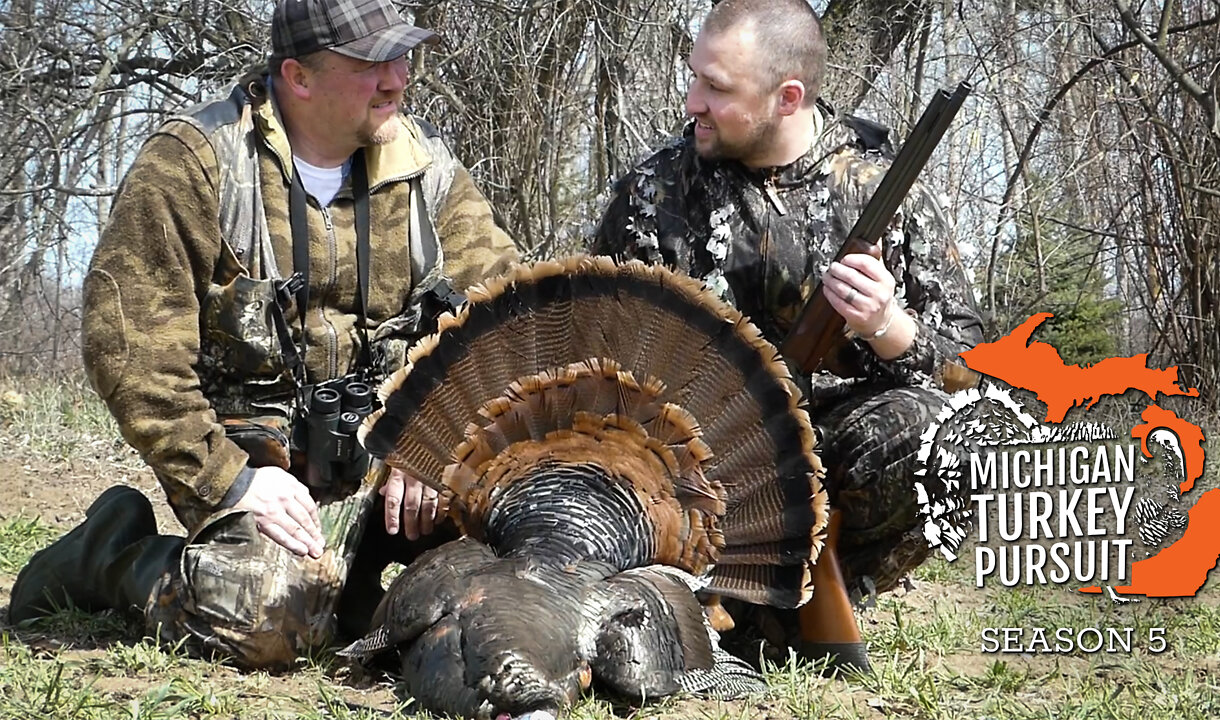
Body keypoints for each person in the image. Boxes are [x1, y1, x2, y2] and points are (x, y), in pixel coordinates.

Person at [9, 0, 518, 668]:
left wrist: (439, 440)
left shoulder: (428, 172)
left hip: (402, 472)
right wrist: (230, 480)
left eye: (404, 56)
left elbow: (506, 321)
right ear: (297, 77)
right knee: (267, 615)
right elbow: (132, 353)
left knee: (527, 566)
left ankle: (353, 587)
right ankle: (109, 555)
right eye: (373, 62)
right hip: (261, 477)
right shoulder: (194, 163)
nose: (399, 78)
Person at [592, 0, 984, 666]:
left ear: (787, 97)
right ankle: (727, 604)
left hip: (838, 441)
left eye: (716, 88)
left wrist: (889, 327)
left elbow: (975, 363)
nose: (693, 102)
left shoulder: (878, 181)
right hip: (695, 460)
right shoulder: (654, 192)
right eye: (695, 78)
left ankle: (814, 600)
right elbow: (595, 350)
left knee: (960, 442)